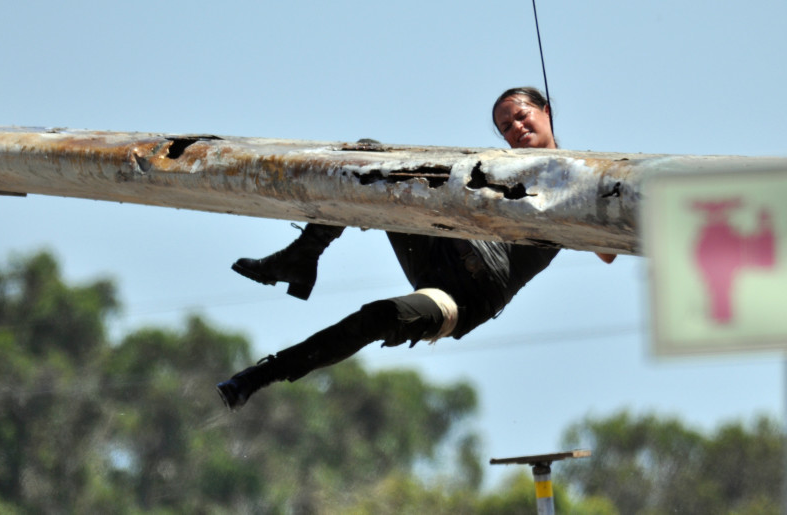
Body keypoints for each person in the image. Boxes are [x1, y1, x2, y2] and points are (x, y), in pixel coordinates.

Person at [216, 87, 607, 410]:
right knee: (369, 156)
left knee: (376, 319)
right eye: (506, 126)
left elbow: (608, 250)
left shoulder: (574, 177)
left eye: (523, 117)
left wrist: (581, 200)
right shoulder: (498, 168)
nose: (517, 128)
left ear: (547, 112)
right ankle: (304, 254)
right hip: (440, 243)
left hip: (463, 297)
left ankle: (260, 375)